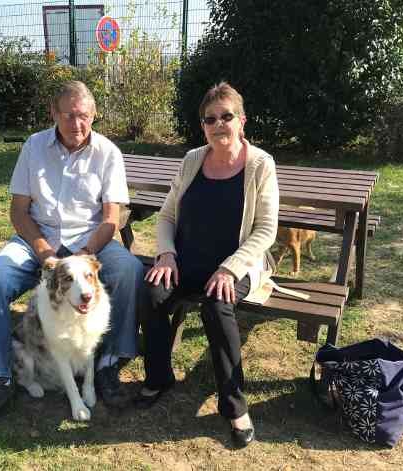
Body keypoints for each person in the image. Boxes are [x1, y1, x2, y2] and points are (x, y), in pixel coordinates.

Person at [0, 81, 144, 427]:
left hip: (90, 241)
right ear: (53, 113)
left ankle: (108, 365)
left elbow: (111, 218)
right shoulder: (33, 147)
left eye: (83, 116)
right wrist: (44, 251)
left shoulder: (107, 152)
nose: (76, 124)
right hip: (38, 239)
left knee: (129, 270)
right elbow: (19, 211)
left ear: (93, 115)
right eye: (68, 116)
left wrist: (86, 253)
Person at [133, 82, 279, 448]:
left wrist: (230, 268)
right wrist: (165, 253)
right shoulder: (192, 160)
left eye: (226, 116)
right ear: (203, 126)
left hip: (237, 265)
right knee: (152, 291)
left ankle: (234, 407)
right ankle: (159, 377)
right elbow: (166, 217)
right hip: (186, 259)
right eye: (210, 119)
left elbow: (266, 230)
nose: (219, 124)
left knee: (217, 304)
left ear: (241, 120)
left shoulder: (260, 164)